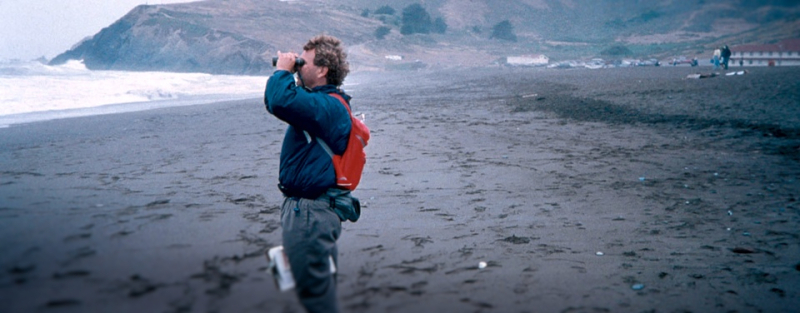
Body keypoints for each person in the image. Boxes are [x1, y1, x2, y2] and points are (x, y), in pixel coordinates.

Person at [264, 35, 354, 313]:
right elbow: (279, 102)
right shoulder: (324, 106)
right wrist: (289, 72)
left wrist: (282, 70)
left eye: (304, 62)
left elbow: (279, 100)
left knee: (317, 299)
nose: (299, 66)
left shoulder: (328, 107)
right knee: (319, 291)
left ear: (323, 69)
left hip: (310, 215)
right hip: (314, 212)